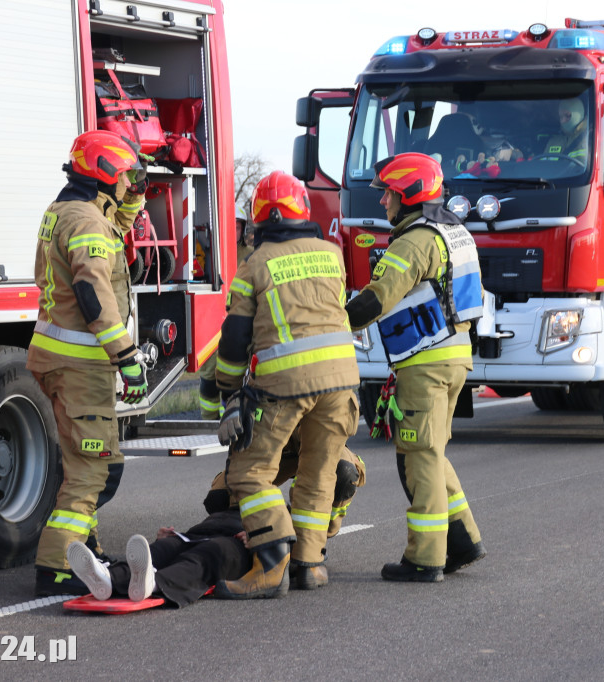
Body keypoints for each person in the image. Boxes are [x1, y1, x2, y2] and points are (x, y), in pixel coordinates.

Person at [214, 170, 360, 598]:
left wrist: (228, 392)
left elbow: (235, 338)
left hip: (285, 384)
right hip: (341, 383)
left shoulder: (254, 265)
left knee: (250, 473)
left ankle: (271, 561)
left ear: (261, 216)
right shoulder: (331, 254)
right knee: (319, 473)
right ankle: (309, 565)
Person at [346, 152, 486, 583]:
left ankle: (425, 558)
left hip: (426, 363)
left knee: (418, 458)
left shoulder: (414, 241)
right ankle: (462, 541)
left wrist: (333, 323)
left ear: (407, 194)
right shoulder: (453, 230)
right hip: (453, 357)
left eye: (387, 193)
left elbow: (378, 297)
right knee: (434, 452)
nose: (383, 203)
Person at [28, 130, 149, 596]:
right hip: (81, 363)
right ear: (104, 176)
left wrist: (133, 201)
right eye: (126, 177)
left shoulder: (73, 211)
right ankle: (59, 564)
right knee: (95, 470)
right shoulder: (86, 222)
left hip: (61, 358)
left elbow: (114, 239)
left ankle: (86, 548)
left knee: (88, 461)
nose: (130, 185)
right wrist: (126, 356)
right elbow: (93, 291)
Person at [65, 448, 365, 607]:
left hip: (247, 540)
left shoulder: (310, 502)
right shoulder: (262, 466)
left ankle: (154, 583)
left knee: (211, 554)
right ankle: (108, 578)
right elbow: (225, 492)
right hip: (218, 522)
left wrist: (268, 539)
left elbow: (302, 528)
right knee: (169, 544)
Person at [198, 204, 252, 420]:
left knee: (236, 374)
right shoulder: (209, 254)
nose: (234, 231)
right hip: (212, 323)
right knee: (209, 375)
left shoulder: (251, 257)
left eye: (238, 227)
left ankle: (230, 418)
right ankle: (209, 420)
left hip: (238, 323)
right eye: (230, 226)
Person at [536, 97, 589, 165]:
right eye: (561, 117)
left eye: (567, 116)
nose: (562, 121)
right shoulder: (553, 141)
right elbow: (542, 167)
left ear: (579, 115)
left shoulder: (592, 139)